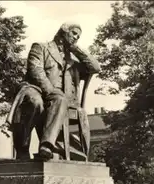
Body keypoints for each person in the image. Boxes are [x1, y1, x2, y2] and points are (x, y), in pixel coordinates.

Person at [6, 22, 100, 160]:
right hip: (36, 89)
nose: (76, 37)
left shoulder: (72, 59)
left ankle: (46, 145)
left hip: (59, 99)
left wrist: (75, 48)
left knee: (61, 99)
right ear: (63, 31)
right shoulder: (41, 47)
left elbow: (95, 67)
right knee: (35, 102)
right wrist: (50, 90)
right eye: (74, 33)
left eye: (78, 37)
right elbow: (36, 72)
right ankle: (22, 148)